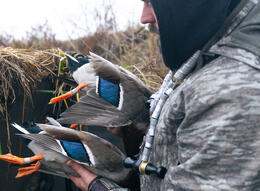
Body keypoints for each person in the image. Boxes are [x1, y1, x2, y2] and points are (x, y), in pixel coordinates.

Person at [67, 0, 260, 190]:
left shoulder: (227, 90)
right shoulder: (209, 45)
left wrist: (98, 187)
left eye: (152, 2)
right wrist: (141, 126)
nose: (144, 18)